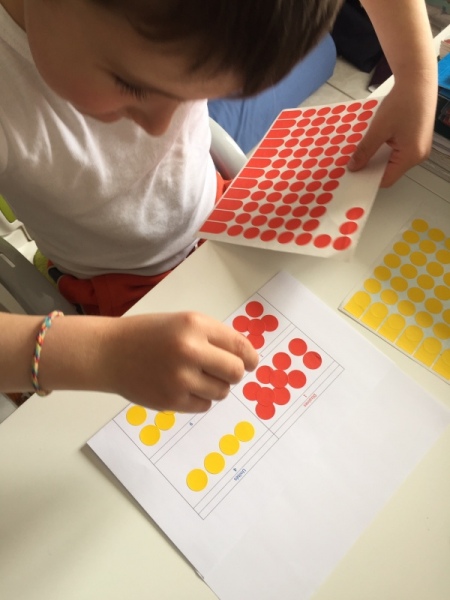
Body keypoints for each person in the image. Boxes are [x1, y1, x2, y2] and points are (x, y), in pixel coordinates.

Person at [0, 0, 437, 411]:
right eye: (131, 85)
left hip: (222, 212)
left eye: (190, 95)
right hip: (117, 294)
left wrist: (416, 75)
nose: (162, 128)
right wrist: (103, 355)